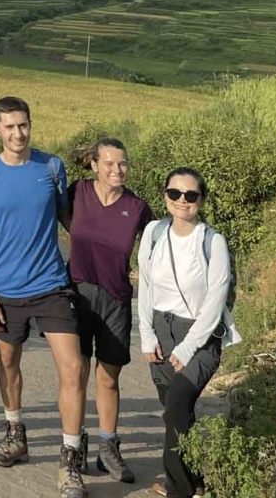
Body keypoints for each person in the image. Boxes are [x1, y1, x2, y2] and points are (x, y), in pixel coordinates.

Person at [0, 96, 89, 498]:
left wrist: (99, 259)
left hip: (52, 284)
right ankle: (15, 435)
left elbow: (68, 219)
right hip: (5, 291)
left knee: (72, 369)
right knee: (8, 363)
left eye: (23, 125)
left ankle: (70, 461)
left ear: (30, 125)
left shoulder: (52, 167)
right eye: (9, 127)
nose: (18, 134)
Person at [139, 168, 241, 498]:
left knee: (178, 405)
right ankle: (194, 479)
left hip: (200, 336)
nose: (182, 201)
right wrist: (146, 335)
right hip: (160, 330)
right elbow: (146, 286)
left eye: (191, 195)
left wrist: (187, 348)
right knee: (178, 413)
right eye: (175, 193)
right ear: (165, 195)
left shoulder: (213, 242)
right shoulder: (153, 233)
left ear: (201, 200)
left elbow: (215, 300)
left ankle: (178, 490)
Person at [59, 138, 154, 484]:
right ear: (95, 165)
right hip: (79, 291)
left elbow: (159, 244)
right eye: (110, 164)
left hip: (116, 298)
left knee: (109, 378)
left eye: (123, 163)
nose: (117, 170)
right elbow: (56, 216)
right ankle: (76, 443)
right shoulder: (77, 193)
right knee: (77, 373)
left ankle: (108, 447)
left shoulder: (137, 206)